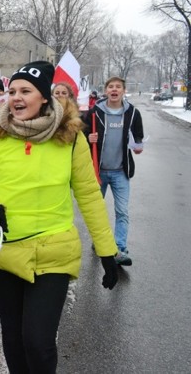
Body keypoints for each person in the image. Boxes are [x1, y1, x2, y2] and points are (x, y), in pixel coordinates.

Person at [0, 61, 118, 374]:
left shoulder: (70, 138)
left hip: (53, 251)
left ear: (44, 97)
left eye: (25, 91)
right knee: (14, 335)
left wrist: (107, 251)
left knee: (38, 340)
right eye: (12, 91)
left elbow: (89, 195)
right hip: (2, 250)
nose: (16, 98)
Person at [83, 76, 144, 266]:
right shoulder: (94, 113)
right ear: (106, 90)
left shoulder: (133, 113)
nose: (114, 89)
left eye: (118, 87)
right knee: (97, 212)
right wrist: (88, 138)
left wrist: (138, 147)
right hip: (98, 171)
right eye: (111, 87)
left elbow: (138, 141)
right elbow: (81, 138)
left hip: (120, 172)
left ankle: (120, 248)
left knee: (122, 211)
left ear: (123, 91)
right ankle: (99, 241)